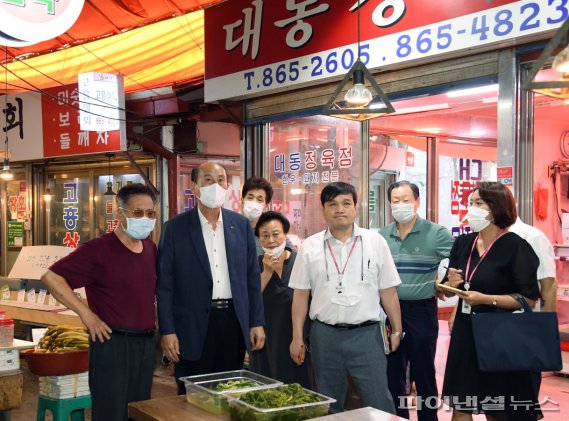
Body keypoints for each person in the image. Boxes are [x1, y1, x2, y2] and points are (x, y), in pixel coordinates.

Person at [40, 183, 158, 421]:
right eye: (138, 212)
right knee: (111, 412)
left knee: (139, 411)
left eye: (150, 213)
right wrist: (86, 314)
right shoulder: (98, 250)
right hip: (112, 344)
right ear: (120, 213)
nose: (145, 218)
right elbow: (51, 277)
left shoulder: (150, 248)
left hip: (145, 346)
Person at [289, 181, 403, 414]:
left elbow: (388, 292)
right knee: (329, 403)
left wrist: (398, 330)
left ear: (356, 208)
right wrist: (297, 336)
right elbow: (301, 295)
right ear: (323, 210)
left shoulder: (375, 242)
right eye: (332, 204)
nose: (339, 209)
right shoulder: (310, 247)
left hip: (367, 335)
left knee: (379, 400)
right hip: (324, 336)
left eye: (345, 203)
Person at [157, 162, 265, 394]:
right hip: (191, 325)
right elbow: (165, 286)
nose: (216, 185)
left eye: (221, 180)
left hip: (233, 322)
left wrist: (256, 321)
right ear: (194, 187)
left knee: (231, 392)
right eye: (208, 180)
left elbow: (251, 279)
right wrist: (167, 331)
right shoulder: (175, 228)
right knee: (192, 395)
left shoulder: (241, 225)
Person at [441, 181, 541, 421]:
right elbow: (447, 289)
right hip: (466, 330)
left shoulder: (517, 246)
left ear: (496, 208)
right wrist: (450, 284)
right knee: (461, 402)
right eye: (470, 203)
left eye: (478, 203)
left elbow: (527, 298)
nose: (471, 208)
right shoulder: (464, 243)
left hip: (500, 333)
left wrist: (487, 299)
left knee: (497, 406)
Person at [379, 180, 454, 421]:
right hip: (389, 313)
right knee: (393, 374)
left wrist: (443, 282)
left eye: (406, 200)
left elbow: (461, 261)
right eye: (395, 201)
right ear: (389, 204)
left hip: (421, 312)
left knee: (424, 375)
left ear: (417, 202)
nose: (400, 205)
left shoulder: (436, 233)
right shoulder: (381, 237)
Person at [249, 211, 313, 388]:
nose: (271, 241)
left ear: (285, 234)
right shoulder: (254, 263)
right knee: (266, 390)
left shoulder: (300, 261)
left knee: (297, 390)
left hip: (295, 338)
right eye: (265, 235)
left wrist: (300, 337)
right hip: (264, 341)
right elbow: (249, 301)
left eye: (276, 234)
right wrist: (267, 273)